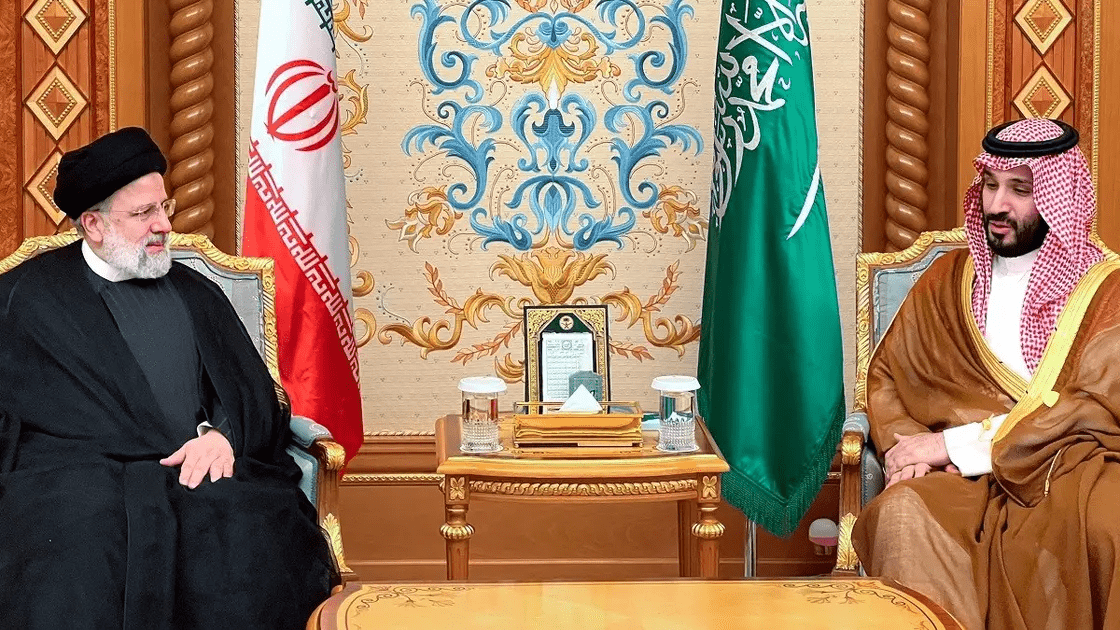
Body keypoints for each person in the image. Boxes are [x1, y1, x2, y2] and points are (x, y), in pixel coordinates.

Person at [0, 127, 335, 629]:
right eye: (143, 213)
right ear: (93, 224)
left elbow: (251, 394)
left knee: (246, 531)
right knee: (70, 539)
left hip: (195, 470)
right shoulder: (23, 298)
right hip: (73, 480)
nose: (163, 226)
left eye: (164, 207)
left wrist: (221, 437)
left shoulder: (195, 292)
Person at [851, 118, 1120, 629]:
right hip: (959, 484)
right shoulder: (946, 281)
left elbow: (1095, 411)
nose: (998, 205)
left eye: (1021, 189)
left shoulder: (1107, 292)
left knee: (1112, 525)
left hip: (1068, 467)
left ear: (1061, 196)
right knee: (900, 515)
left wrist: (951, 445)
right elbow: (888, 377)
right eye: (991, 185)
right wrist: (907, 450)